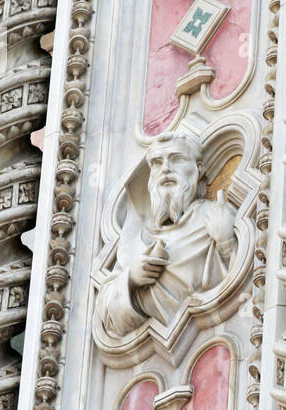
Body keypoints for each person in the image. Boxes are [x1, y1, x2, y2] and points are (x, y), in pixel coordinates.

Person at [95, 133, 237, 342]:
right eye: (157, 163)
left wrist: (226, 242)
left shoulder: (216, 217)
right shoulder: (137, 238)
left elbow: (251, 282)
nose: (166, 168)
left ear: (199, 169)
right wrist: (132, 280)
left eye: (177, 159)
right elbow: (108, 318)